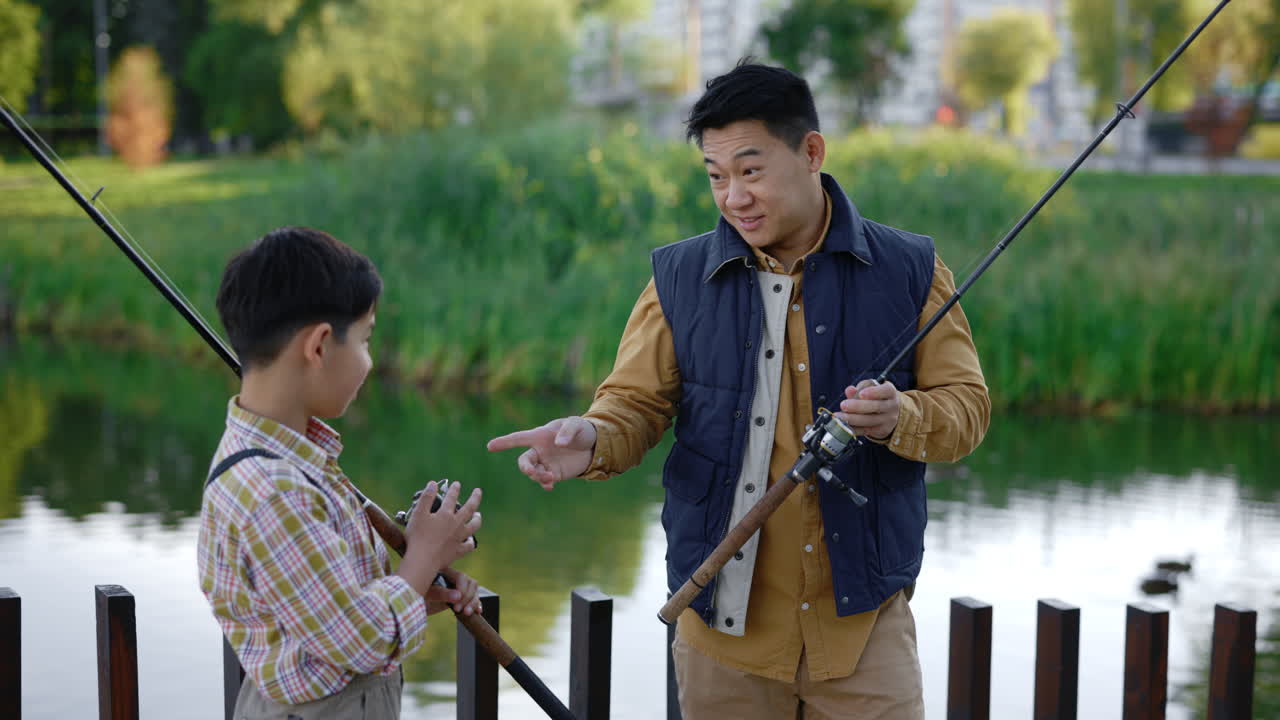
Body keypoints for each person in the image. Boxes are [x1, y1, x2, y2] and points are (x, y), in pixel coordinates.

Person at [488, 62, 990, 719]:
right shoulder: (677, 278)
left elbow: (967, 409)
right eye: (716, 177)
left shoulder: (911, 268)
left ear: (811, 152)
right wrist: (589, 439)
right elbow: (631, 406)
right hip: (721, 635)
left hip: (864, 630)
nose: (733, 197)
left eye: (751, 171)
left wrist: (901, 414)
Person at [199, 226, 484, 719]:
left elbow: (325, 614)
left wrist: (415, 592)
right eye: (367, 340)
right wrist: (421, 558)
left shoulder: (289, 460)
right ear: (320, 345)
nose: (369, 362)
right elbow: (358, 641)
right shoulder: (273, 491)